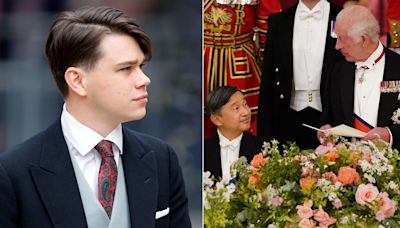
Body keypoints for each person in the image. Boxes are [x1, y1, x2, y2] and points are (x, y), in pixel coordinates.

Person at [0, 6, 191, 228]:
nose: (144, 79)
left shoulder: (161, 160)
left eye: (141, 66)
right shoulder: (14, 173)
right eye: (126, 68)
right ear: (78, 81)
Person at [257, 0, 343, 149]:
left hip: (331, 116)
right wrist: (265, 134)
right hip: (287, 116)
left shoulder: (343, 18)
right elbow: (268, 80)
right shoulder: (278, 21)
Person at [319, 5, 400, 150]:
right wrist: (326, 129)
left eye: (342, 39)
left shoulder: (397, 67)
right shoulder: (337, 71)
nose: (337, 46)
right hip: (347, 166)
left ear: (363, 39)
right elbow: (328, 118)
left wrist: (390, 134)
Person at [203, 0, 282, 139]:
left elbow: (270, 23)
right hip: (202, 58)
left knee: (241, 119)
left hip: (238, 58)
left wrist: (269, 61)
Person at [204, 86, 265, 180]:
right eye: (236, 108)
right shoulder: (203, 151)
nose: (246, 112)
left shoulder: (263, 148)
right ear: (217, 119)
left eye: (245, 104)